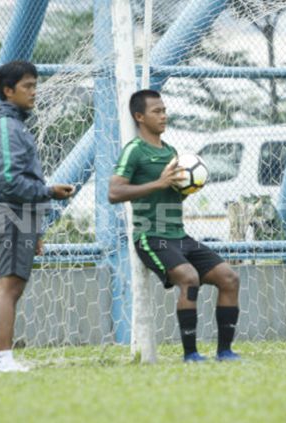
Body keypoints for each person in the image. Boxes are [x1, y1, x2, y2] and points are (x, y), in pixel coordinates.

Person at [108, 89, 241, 362]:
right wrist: (158, 183)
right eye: (156, 111)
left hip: (179, 235)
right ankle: (190, 354)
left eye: (165, 110)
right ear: (139, 117)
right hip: (150, 236)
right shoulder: (134, 150)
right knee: (189, 279)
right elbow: (114, 192)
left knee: (229, 278)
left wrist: (187, 187)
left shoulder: (171, 152)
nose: (163, 116)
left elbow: (172, 192)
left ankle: (225, 352)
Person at [0, 60, 75, 373]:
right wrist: (48, 192)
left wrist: (37, 229)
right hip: (10, 211)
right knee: (8, 286)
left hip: (22, 213)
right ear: (8, 91)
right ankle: (2, 361)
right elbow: (9, 180)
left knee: (15, 286)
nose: (34, 92)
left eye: (35, 85)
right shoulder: (5, 126)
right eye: (27, 86)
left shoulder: (16, 124)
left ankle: (5, 359)